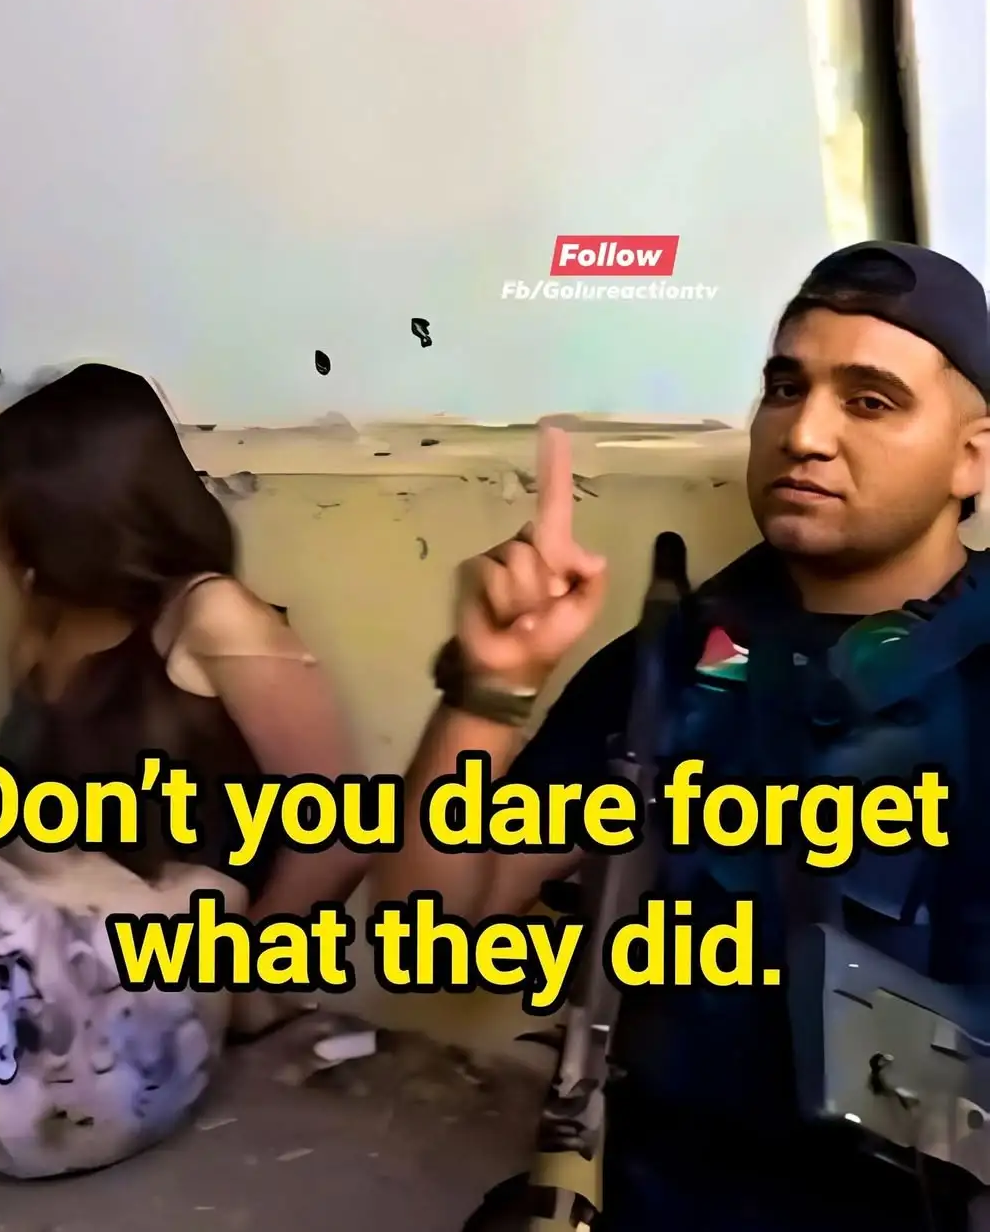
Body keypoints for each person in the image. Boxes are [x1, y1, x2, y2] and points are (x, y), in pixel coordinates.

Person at [379, 241, 990, 1231]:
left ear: (973, 456)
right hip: (664, 1188)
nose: (805, 434)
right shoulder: (677, 658)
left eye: (870, 401)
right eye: (785, 389)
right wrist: (489, 691)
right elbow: (431, 935)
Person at [0, 363, 367, 1178]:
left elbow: (343, 825)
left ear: (71, 512)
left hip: (146, 1004)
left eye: (2, 509)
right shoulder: (44, 625)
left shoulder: (211, 616)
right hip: (33, 964)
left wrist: (244, 975)